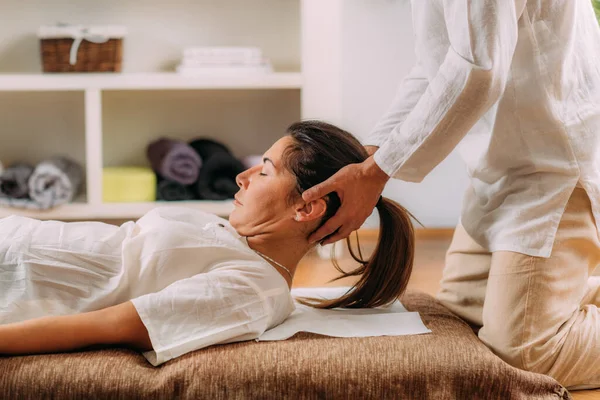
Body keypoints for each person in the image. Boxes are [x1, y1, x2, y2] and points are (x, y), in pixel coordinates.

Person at [301, 0, 600, 390]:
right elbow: (436, 66)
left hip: (552, 166)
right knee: (462, 322)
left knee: (524, 354)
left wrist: (376, 173)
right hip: (498, 168)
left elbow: (477, 72)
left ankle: (563, 294)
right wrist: (369, 160)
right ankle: (571, 286)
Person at [0, 121, 414, 367]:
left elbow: (113, 325)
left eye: (264, 172)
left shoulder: (253, 288)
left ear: (307, 209)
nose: (242, 177)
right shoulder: (239, 241)